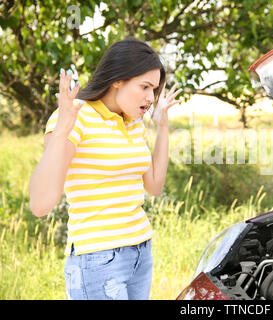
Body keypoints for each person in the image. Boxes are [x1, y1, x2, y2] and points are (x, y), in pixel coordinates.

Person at [28, 37, 181, 300]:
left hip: (140, 252)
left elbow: (154, 186)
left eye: (154, 89)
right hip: (99, 259)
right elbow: (40, 204)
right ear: (117, 79)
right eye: (144, 86)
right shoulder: (76, 117)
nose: (150, 97)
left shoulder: (133, 122)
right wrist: (62, 129)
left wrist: (163, 127)